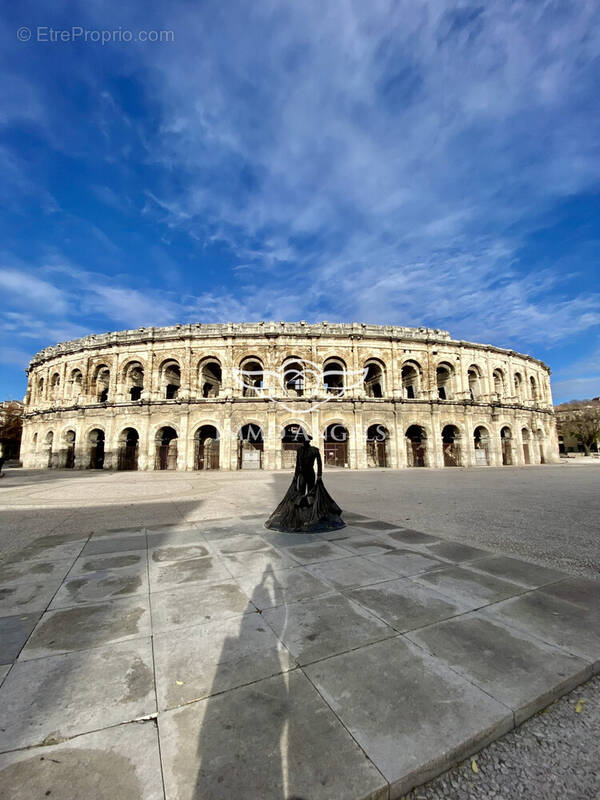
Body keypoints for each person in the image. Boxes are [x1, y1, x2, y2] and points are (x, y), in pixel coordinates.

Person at [265, 434, 345, 533]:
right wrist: (298, 476)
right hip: (307, 473)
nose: (304, 442)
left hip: (305, 474)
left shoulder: (306, 450)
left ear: (305, 441)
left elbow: (316, 464)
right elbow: (301, 465)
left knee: (307, 492)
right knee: (304, 492)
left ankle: (307, 513)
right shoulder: (310, 450)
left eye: (304, 441)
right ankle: (305, 513)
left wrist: (315, 475)